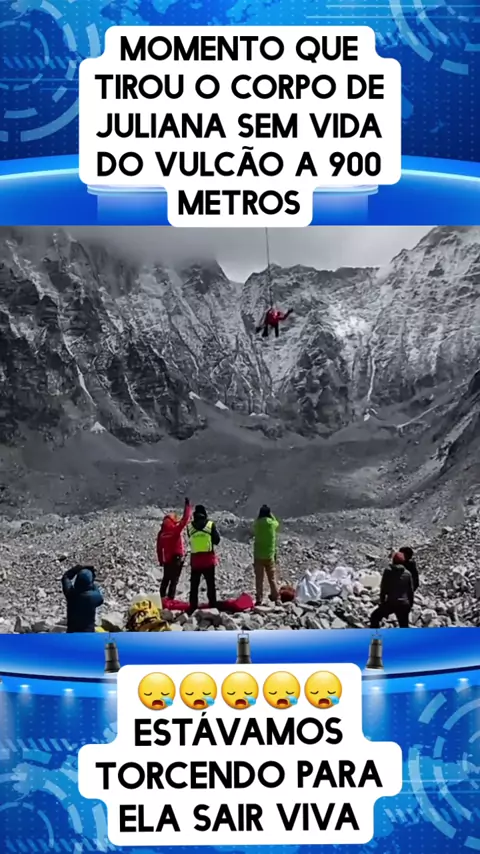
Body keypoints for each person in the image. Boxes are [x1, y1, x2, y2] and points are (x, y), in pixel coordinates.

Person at [187, 505, 220, 613]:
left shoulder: (190, 527)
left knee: (194, 586)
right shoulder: (210, 525)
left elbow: (190, 539)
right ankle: (213, 605)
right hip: (208, 560)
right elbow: (217, 540)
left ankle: (192, 607)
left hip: (195, 561)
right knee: (210, 585)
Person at [157, 497, 191, 600]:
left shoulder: (161, 533)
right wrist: (188, 507)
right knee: (174, 580)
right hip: (176, 557)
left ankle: (161, 598)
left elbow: (159, 549)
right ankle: (170, 600)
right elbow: (185, 520)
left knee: (166, 579)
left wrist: (161, 561)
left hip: (167, 559)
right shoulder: (175, 529)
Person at [370, 552, 414, 629]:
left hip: (391, 603)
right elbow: (410, 591)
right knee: (404, 626)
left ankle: (376, 635)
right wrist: (410, 606)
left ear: (393, 561)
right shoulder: (408, 574)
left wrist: (382, 603)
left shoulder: (388, 571)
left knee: (374, 616)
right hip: (404, 604)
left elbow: (383, 589)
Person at [62, 565, 104, 633]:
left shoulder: (70, 593)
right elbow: (97, 593)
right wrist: (92, 578)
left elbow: (66, 577)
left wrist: (78, 568)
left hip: (71, 632)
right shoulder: (94, 597)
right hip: (88, 633)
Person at [253, 504, 280, 605]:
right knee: (272, 578)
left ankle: (259, 599)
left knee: (259, 579)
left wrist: (259, 517)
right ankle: (276, 597)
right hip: (269, 556)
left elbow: (254, 525)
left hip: (258, 555)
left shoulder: (257, 524)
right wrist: (271, 515)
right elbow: (277, 523)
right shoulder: (272, 524)